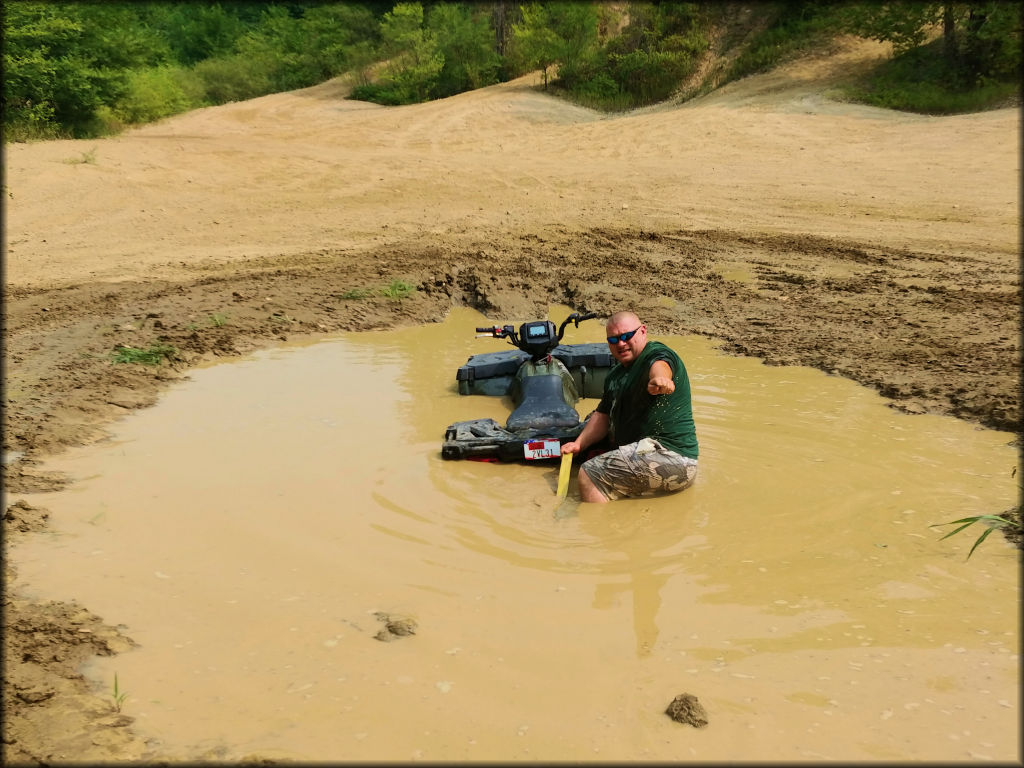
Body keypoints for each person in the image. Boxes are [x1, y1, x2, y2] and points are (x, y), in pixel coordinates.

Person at [561, 310, 698, 503]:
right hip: (644, 453)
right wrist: (579, 444)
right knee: (588, 441)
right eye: (614, 340)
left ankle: (602, 529)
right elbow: (602, 416)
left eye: (626, 336)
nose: (621, 344)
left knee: (590, 474)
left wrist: (661, 379)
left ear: (643, 331)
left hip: (673, 458)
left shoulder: (655, 353)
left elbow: (660, 365)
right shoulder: (615, 374)